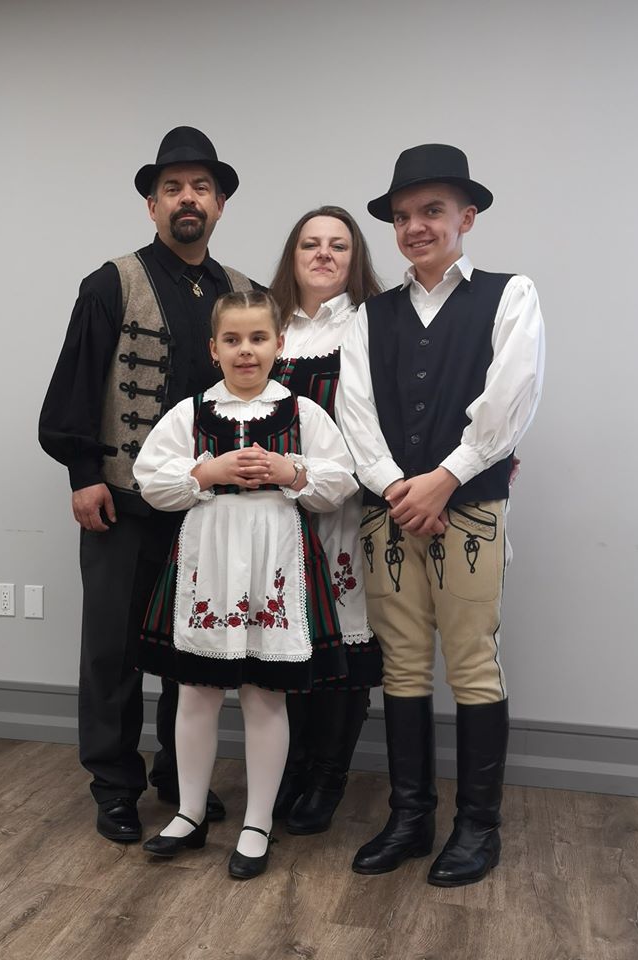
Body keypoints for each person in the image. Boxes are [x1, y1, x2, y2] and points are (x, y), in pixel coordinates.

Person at [39, 126, 257, 843]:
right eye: (172, 188)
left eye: (200, 188)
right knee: (112, 649)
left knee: (189, 650)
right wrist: (83, 476)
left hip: (208, 506)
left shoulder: (243, 293)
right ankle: (114, 784)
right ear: (152, 204)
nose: (187, 198)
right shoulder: (111, 283)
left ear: (219, 204)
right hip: (122, 502)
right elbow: (75, 387)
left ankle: (177, 775)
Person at [337, 144, 545, 886]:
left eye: (432, 211)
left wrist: (444, 480)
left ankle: (478, 826)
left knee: (472, 662)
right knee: (401, 662)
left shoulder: (510, 295)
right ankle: (410, 817)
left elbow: (509, 399)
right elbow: (355, 414)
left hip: (470, 511)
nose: (416, 227)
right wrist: (399, 488)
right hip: (388, 513)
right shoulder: (369, 316)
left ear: (467, 216)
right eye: (402, 216)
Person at [132, 290, 358, 879]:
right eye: (232, 340)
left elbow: (340, 480)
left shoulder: (302, 413)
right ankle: (189, 812)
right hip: (209, 557)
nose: (246, 351)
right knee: (195, 691)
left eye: (258, 338)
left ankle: (257, 822)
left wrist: (291, 471)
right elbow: (150, 478)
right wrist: (205, 472)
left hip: (275, 557)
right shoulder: (191, 413)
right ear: (214, 349)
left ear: (279, 345)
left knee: (265, 694)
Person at [268, 206, 383, 834]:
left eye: (338, 245)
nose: (323, 254)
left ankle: (328, 774)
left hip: (345, 508)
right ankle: (291, 766)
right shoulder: (269, 325)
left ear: (354, 258)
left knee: (341, 638)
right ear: (293, 255)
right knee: (286, 638)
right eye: (310, 243)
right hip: (273, 510)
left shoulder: (373, 323)